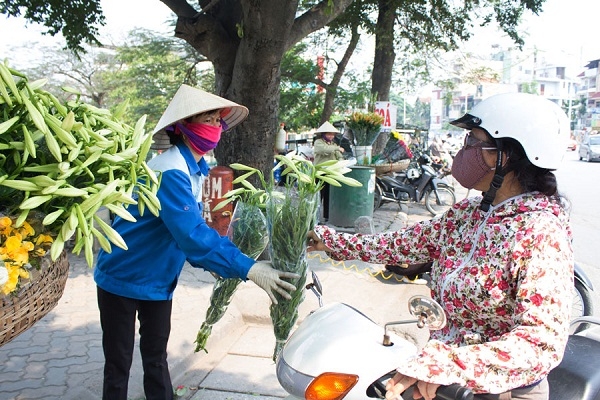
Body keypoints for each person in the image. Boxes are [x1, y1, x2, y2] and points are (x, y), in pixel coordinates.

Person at [307, 92, 573, 400]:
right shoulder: (468, 214)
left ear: (508, 155)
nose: (463, 152)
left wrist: (445, 364)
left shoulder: (540, 232)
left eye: (473, 141)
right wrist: (331, 241)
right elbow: (400, 244)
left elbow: (541, 343)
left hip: (501, 389)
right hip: (438, 378)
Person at [93, 84, 299, 400]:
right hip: (122, 275)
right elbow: (192, 235)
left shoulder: (195, 168)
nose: (215, 126)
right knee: (118, 365)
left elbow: (182, 232)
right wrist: (249, 268)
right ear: (182, 127)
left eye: (218, 120)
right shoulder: (170, 170)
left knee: (156, 356)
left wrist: (219, 263)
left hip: (158, 279)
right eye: (207, 119)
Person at [312, 121, 345, 222]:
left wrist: (342, 161)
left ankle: (327, 216)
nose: (331, 136)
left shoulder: (334, 144)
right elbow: (324, 150)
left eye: (332, 134)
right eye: (329, 134)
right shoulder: (318, 142)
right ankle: (314, 218)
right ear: (323, 134)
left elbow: (339, 156)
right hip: (319, 172)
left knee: (329, 196)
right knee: (318, 196)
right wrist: (337, 148)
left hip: (331, 173)